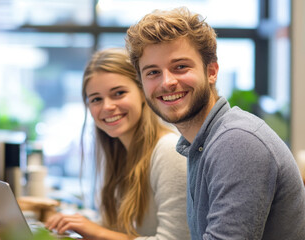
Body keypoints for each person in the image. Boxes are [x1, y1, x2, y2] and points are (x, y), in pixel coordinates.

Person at [125, 6, 305, 240]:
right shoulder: (200, 143)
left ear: (212, 71)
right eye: (152, 72)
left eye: (180, 67)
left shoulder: (237, 141)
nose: (167, 82)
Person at [45, 48, 190, 240]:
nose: (107, 107)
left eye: (118, 93)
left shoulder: (168, 151)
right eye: (96, 99)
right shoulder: (117, 152)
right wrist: (76, 222)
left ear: (143, 92)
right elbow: (120, 228)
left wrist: (96, 231)